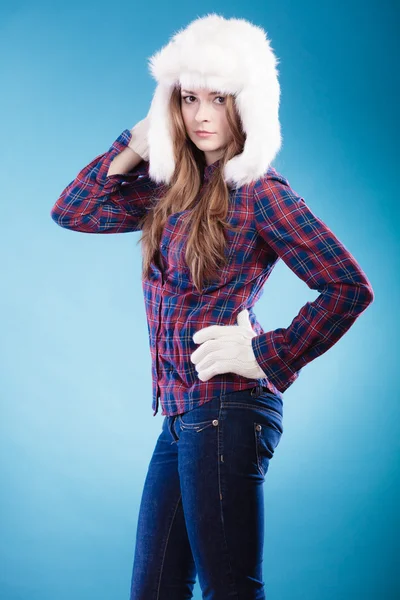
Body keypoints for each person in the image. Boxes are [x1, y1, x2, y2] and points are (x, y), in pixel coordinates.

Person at [50, 13, 374, 600]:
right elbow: (73, 211)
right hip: (182, 415)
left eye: (218, 99)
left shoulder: (261, 194)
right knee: (154, 591)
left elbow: (348, 287)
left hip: (228, 408)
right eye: (189, 97)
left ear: (247, 105)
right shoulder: (170, 192)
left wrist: (267, 355)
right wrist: (133, 141)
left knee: (230, 589)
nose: (201, 115)